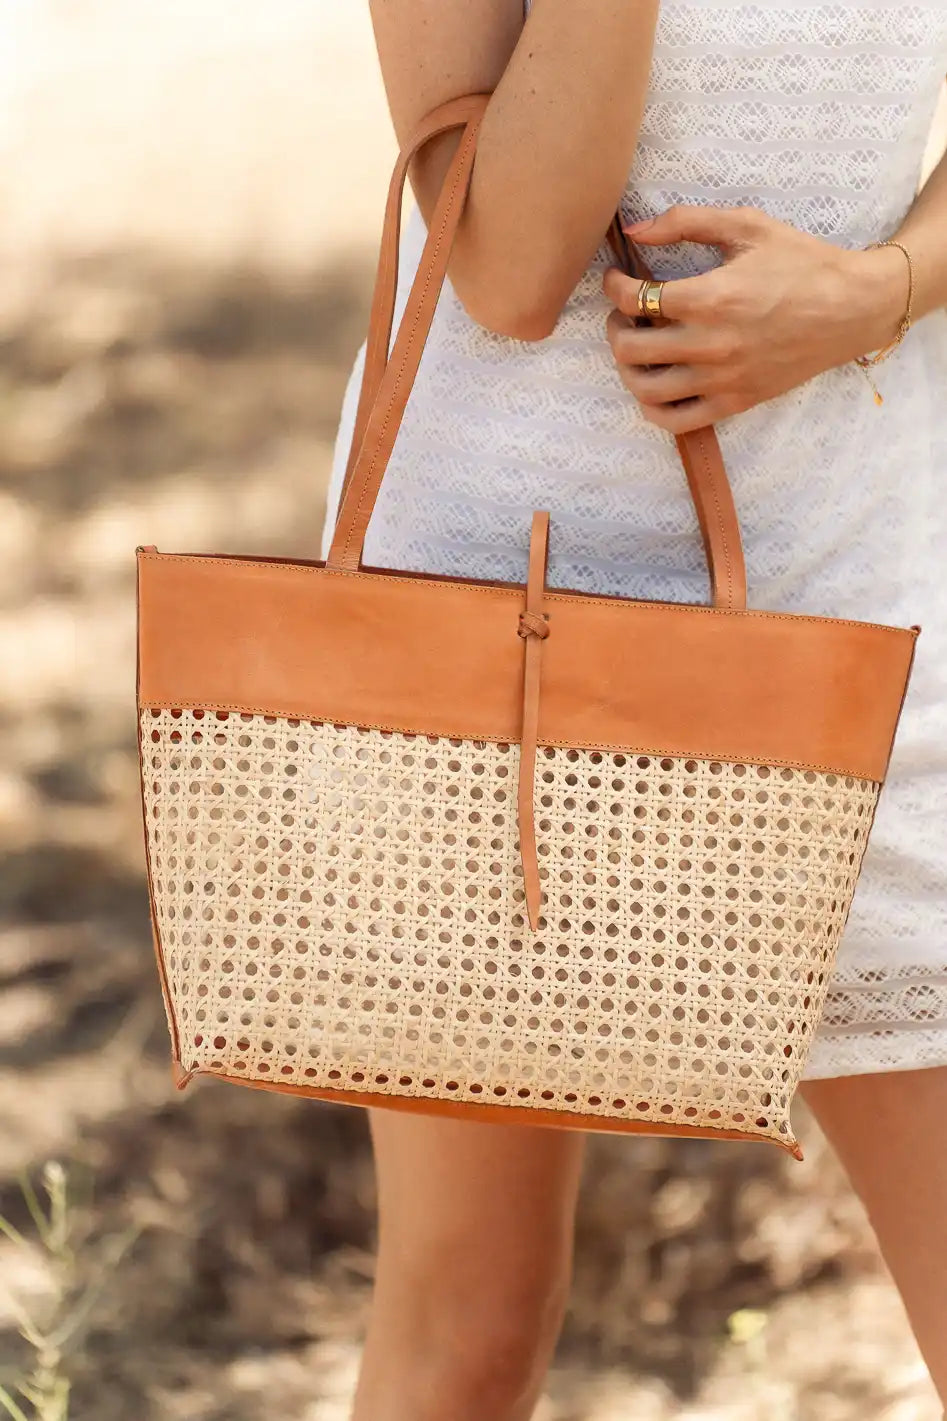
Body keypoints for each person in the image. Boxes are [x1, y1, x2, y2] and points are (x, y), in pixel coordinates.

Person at [321, 4, 947, 1417]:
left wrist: (881, 290)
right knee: (471, 1324)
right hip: (497, 614)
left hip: (853, 586)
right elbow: (511, 265)